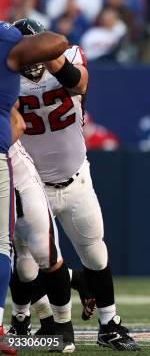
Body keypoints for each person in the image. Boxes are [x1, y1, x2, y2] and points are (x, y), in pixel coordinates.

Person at [13, 18, 140, 351]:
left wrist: (51, 54)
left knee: (96, 254)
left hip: (75, 177)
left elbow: (77, 83)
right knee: (26, 267)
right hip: (32, 184)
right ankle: (37, 323)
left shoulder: (70, 56)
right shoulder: (7, 74)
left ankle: (109, 325)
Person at [0, 19, 70, 355]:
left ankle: (61, 330)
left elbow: (17, 122)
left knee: (40, 253)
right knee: (22, 265)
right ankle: (25, 322)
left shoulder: (9, 51)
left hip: (13, 162)